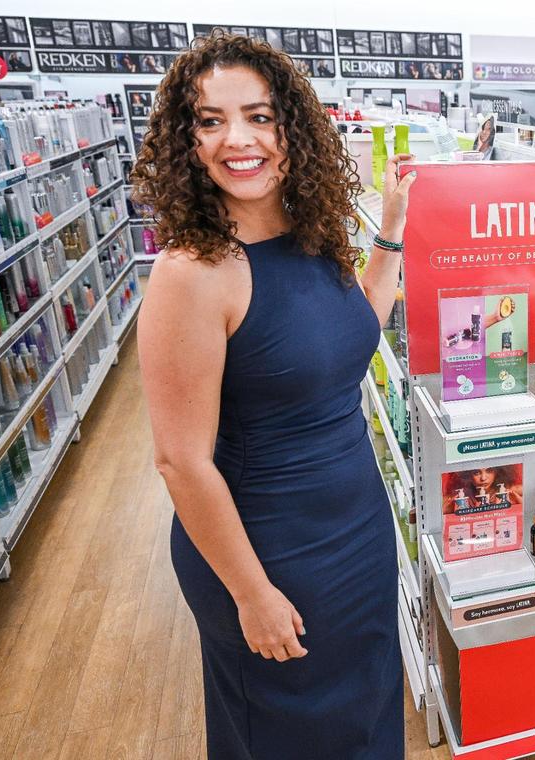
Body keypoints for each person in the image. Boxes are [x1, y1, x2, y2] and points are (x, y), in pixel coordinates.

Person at [133, 33, 416, 759]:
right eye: (209, 120)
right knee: (291, 733)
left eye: (259, 116)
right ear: (185, 140)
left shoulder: (309, 233)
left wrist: (390, 235)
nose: (237, 139)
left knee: (366, 714)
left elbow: (350, 336)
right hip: (267, 550)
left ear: (292, 126)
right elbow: (180, 463)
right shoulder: (193, 272)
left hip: (355, 528)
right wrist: (250, 593)